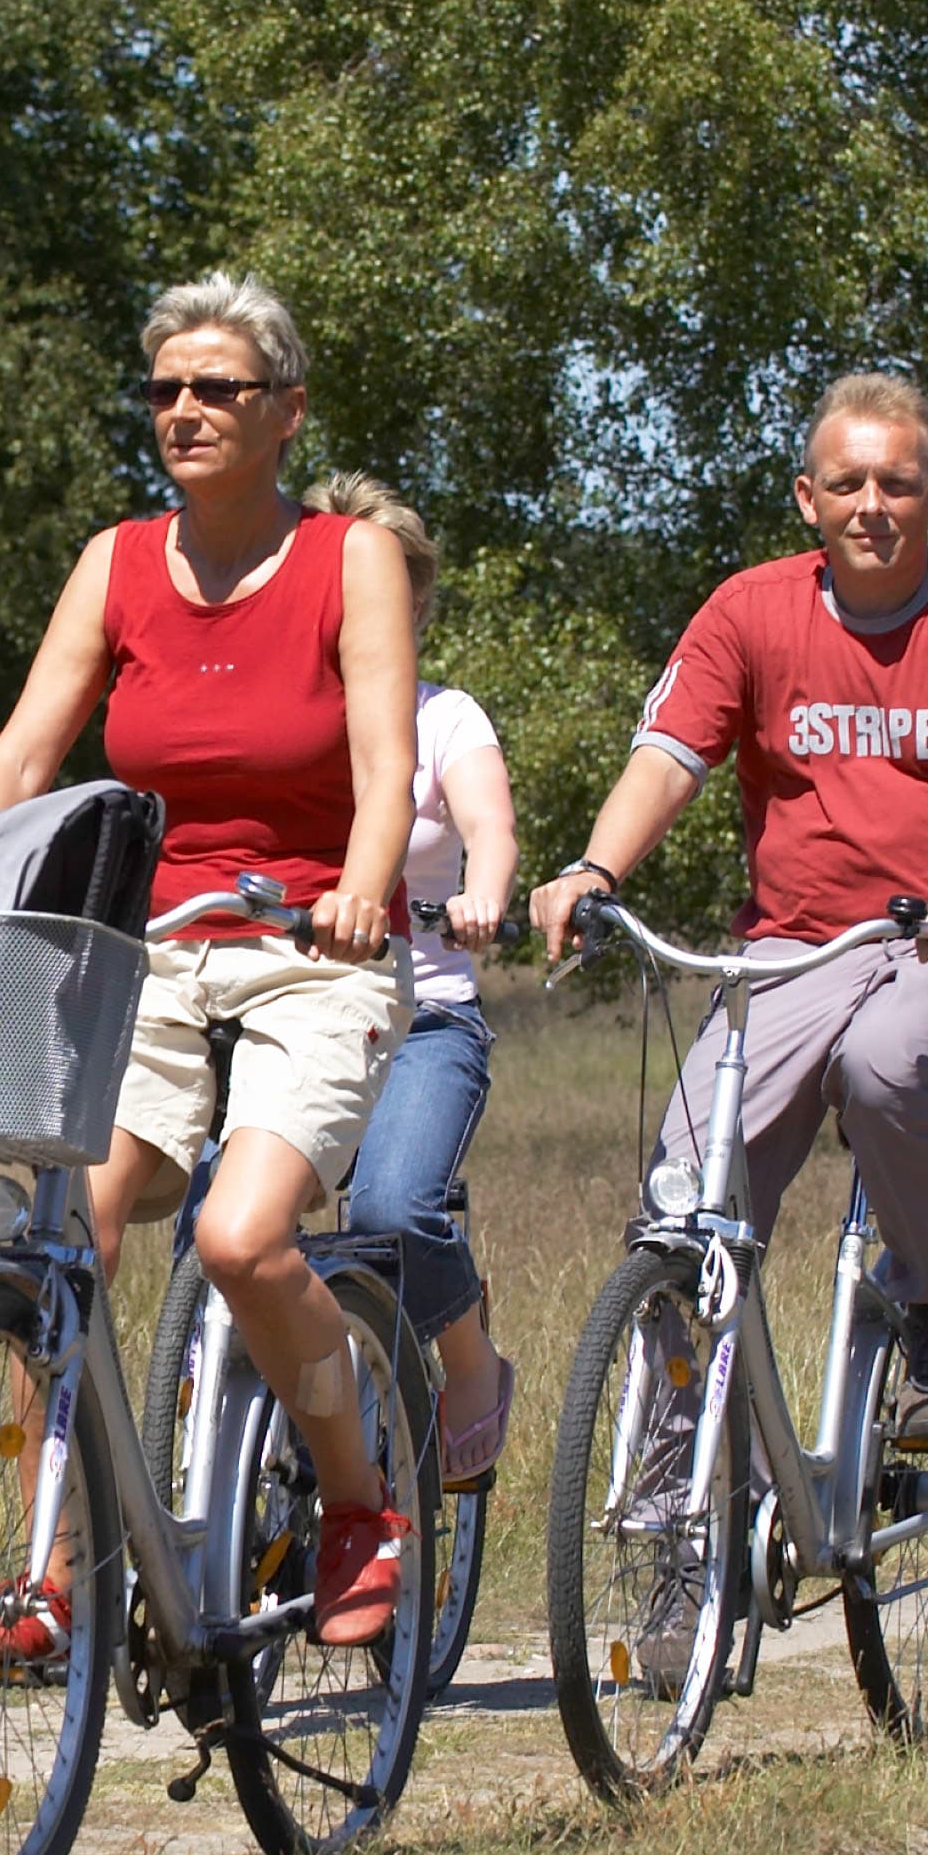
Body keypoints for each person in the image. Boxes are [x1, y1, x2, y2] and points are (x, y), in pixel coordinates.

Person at [0, 271, 420, 1651]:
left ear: (284, 413)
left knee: (240, 1237)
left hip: (307, 951)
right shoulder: (117, 562)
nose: (184, 410)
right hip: (150, 955)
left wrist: (358, 887)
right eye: (165, 388)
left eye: (217, 389)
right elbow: (24, 747)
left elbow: (386, 760)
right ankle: (63, 1564)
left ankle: (359, 1502)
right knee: (75, 1237)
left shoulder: (352, 560)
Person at [532, 371, 928, 1439]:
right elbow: (669, 756)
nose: (872, 504)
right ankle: (687, 1500)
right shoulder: (750, 609)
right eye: (847, 482)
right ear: (805, 498)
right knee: (683, 1204)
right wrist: (595, 870)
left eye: (898, 484)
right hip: (789, 953)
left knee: (886, 1068)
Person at [299, 471, 520, 1485]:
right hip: (295, 1014)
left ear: (415, 601)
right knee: (214, 1217)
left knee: (388, 1209)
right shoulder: (285, 726)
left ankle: (466, 1363)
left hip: (426, 1018)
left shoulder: (446, 720)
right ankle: (230, 1430)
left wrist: (480, 893)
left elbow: (487, 829)